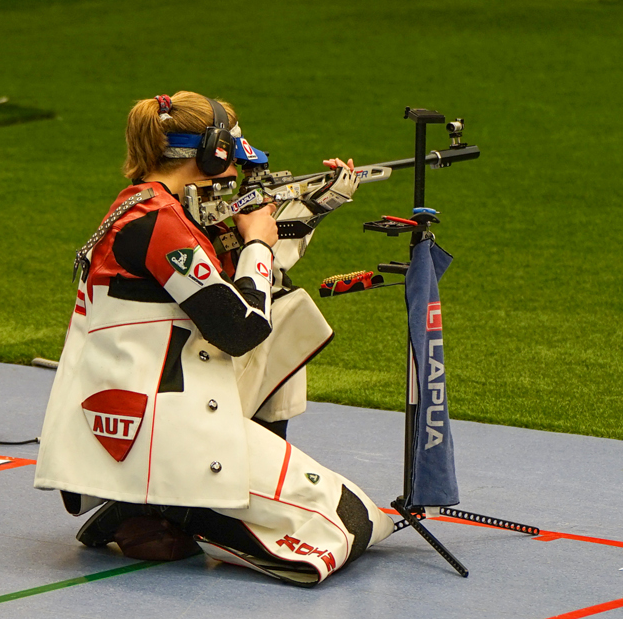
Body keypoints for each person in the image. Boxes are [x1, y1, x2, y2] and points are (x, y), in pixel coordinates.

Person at [33, 91, 394, 586]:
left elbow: (253, 286)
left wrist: (316, 205)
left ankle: (153, 502)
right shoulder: (161, 227)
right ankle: (180, 505)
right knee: (355, 521)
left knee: (287, 315)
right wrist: (257, 242)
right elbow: (241, 328)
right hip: (158, 425)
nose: (236, 181)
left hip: (143, 406)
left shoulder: (147, 209)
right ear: (209, 155)